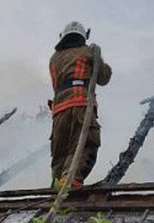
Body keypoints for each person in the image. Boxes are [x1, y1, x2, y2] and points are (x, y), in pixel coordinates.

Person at [48, 21, 112, 190]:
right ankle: (71, 182)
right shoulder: (87, 52)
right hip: (80, 104)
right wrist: (98, 57)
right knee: (84, 144)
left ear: (63, 36)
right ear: (84, 36)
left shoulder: (54, 58)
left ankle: (57, 186)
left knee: (60, 151)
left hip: (59, 110)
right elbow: (104, 78)